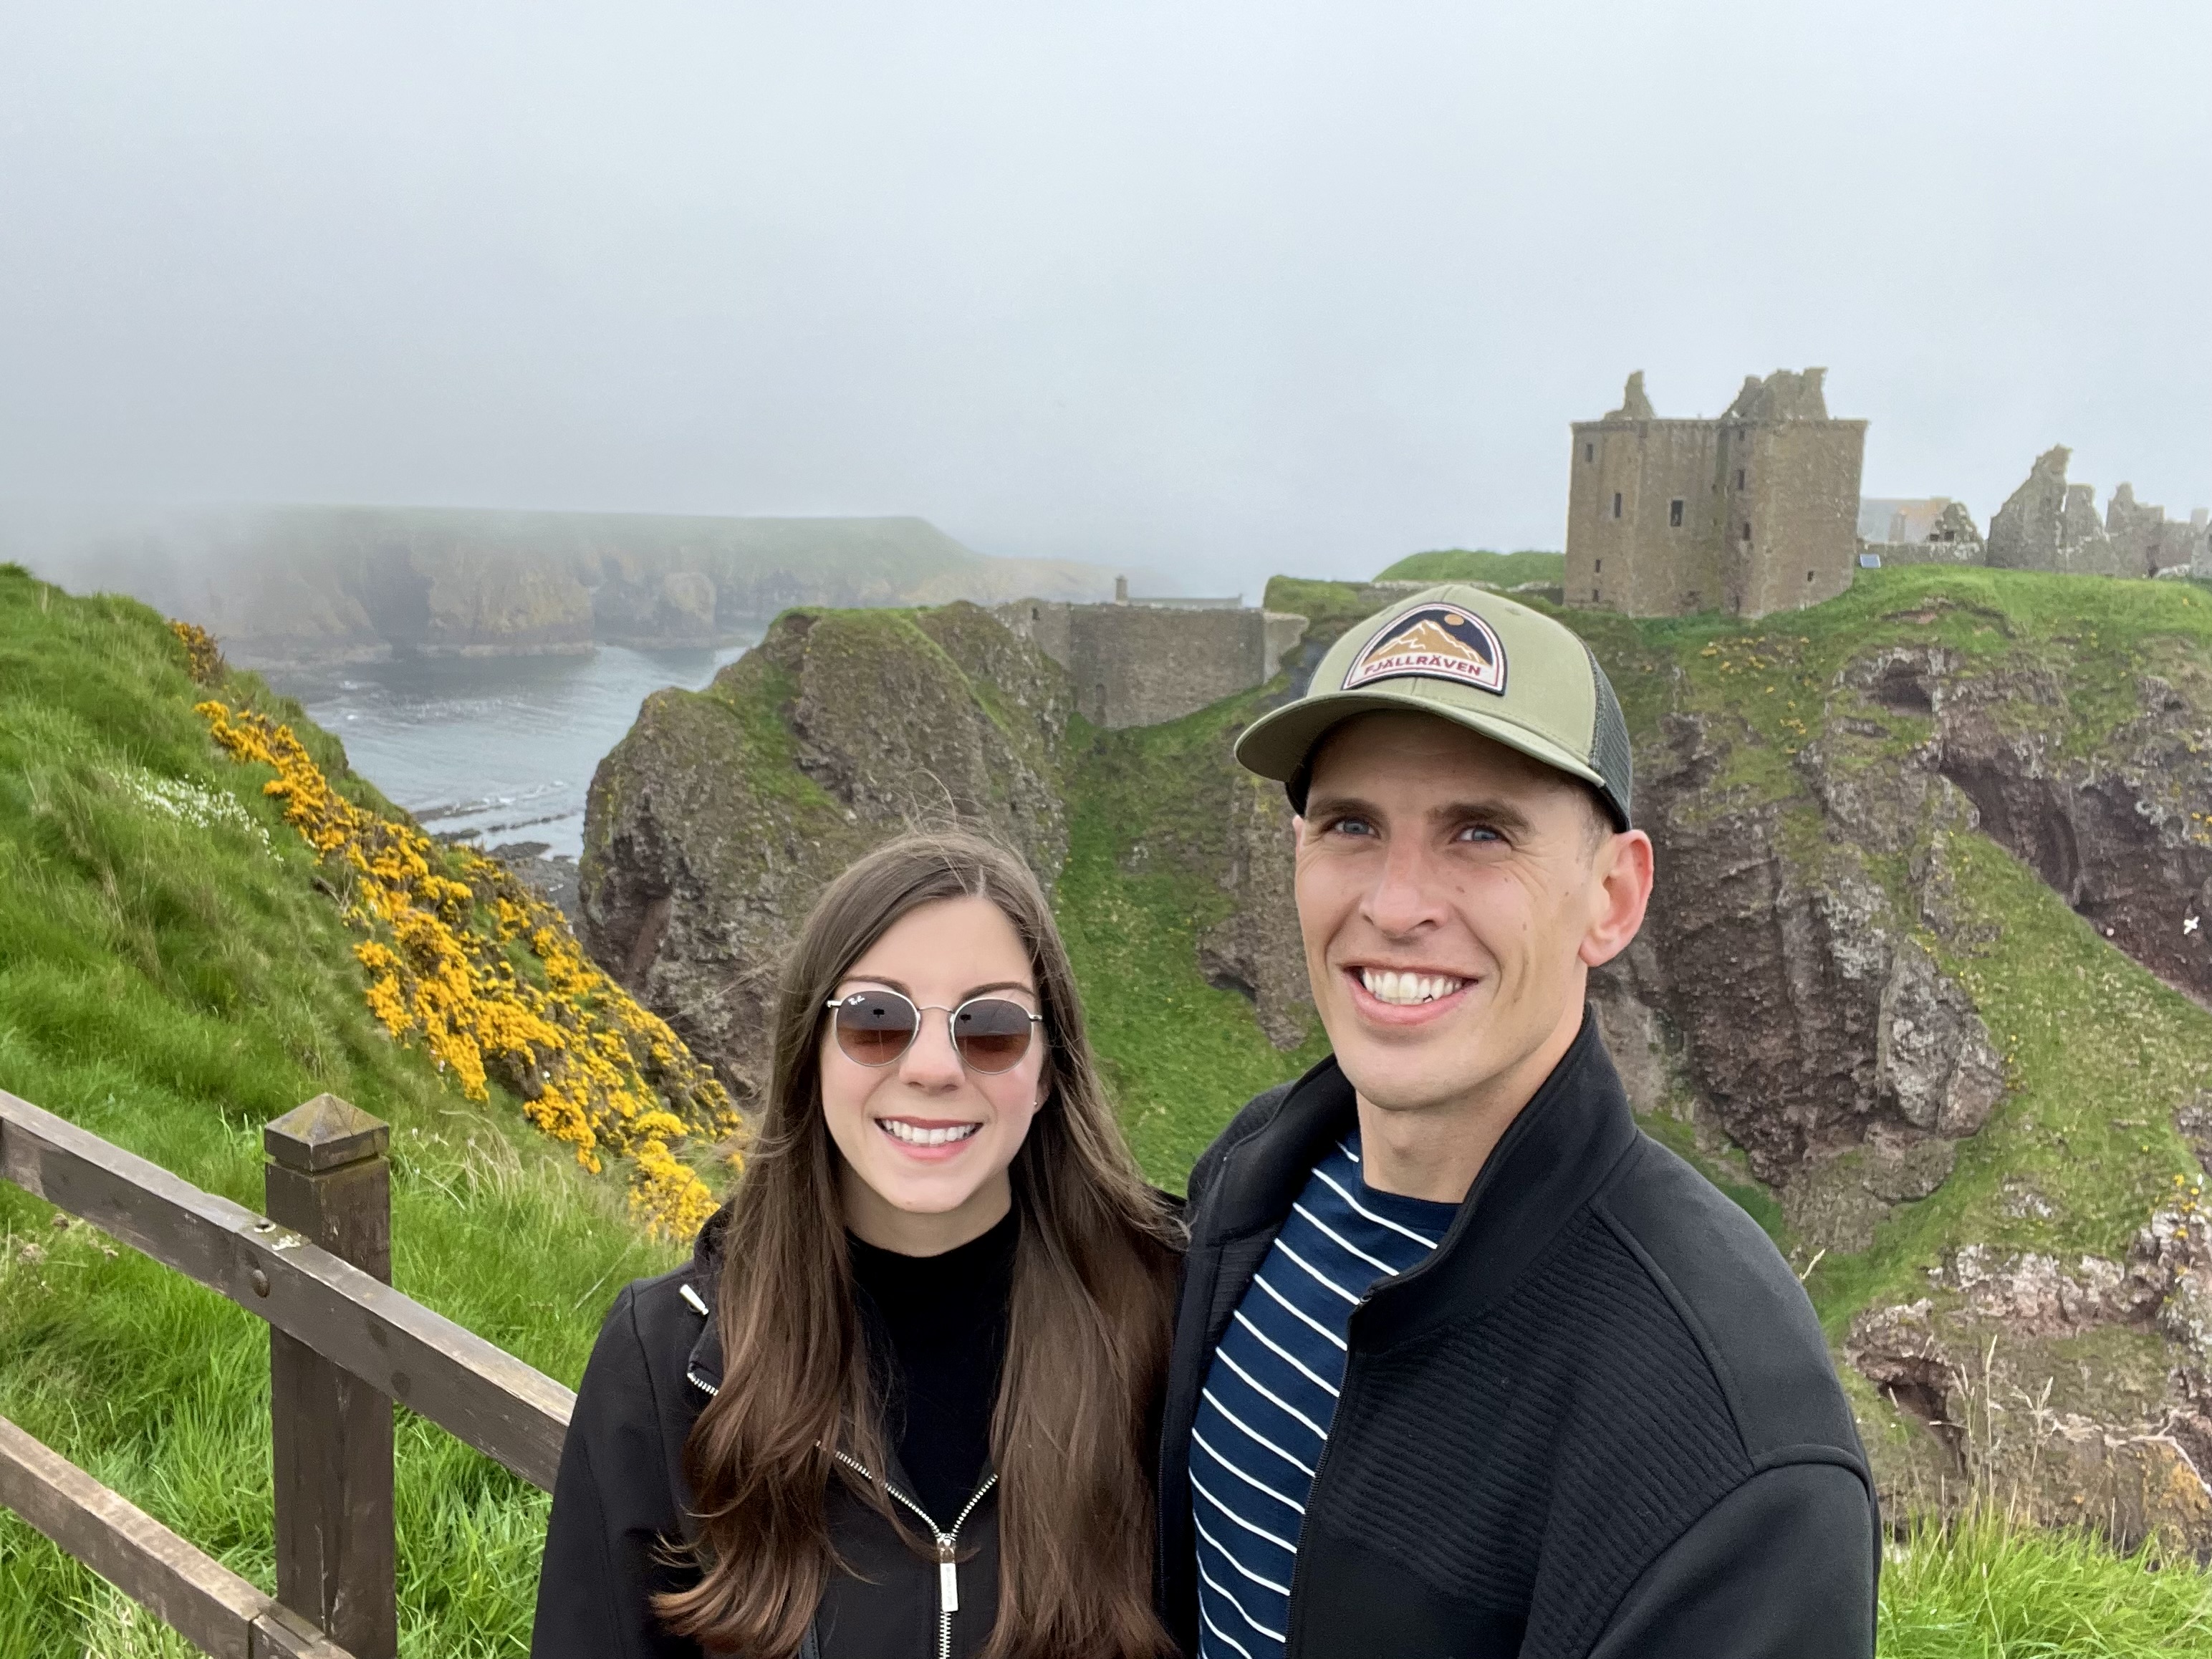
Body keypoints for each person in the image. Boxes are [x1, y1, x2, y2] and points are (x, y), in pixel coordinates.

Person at [1157, 585, 1878, 1659]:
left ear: (1613, 898)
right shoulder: (1257, 1175)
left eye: (1481, 832)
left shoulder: (1730, 1431)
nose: (1397, 905)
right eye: (1351, 824)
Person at [534, 831, 1180, 1659]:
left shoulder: (1166, 1321)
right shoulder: (668, 1356)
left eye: (990, 1027)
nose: (935, 1067)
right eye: (878, 1019)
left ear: (1049, 1068)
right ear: (811, 1052)